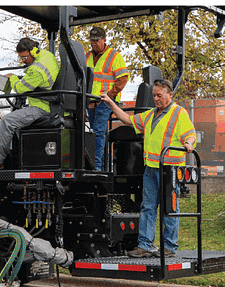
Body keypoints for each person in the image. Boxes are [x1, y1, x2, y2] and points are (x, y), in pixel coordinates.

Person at [102, 79, 197, 258]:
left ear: (170, 94)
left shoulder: (179, 113)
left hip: (170, 170)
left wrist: (189, 143)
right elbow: (127, 119)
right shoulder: (150, 114)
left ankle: (169, 247)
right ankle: (145, 245)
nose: (156, 99)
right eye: (154, 95)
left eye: (159, 95)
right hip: (151, 169)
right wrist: (110, 103)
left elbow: (190, 134)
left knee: (170, 208)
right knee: (148, 207)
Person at [0, 38, 59, 171]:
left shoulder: (36, 69)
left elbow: (20, 88)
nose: (23, 61)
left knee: (7, 121)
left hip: (43, 107)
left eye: (24, 57)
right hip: (48, 103)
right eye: (21, 58)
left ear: (33, 51)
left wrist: (12, 77)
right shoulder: (48, 56)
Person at [84, 26, 131, 171]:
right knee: (92, 134)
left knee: (98, 133)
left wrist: (109, 96)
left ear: (104, 40)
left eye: (96, 40)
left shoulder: (114, 56)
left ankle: (97, 167)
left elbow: (123, 78)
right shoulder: (86, 56)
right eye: (92, 40)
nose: (94, 43)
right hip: (90, 102)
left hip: (105, 102)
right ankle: (96, 165)